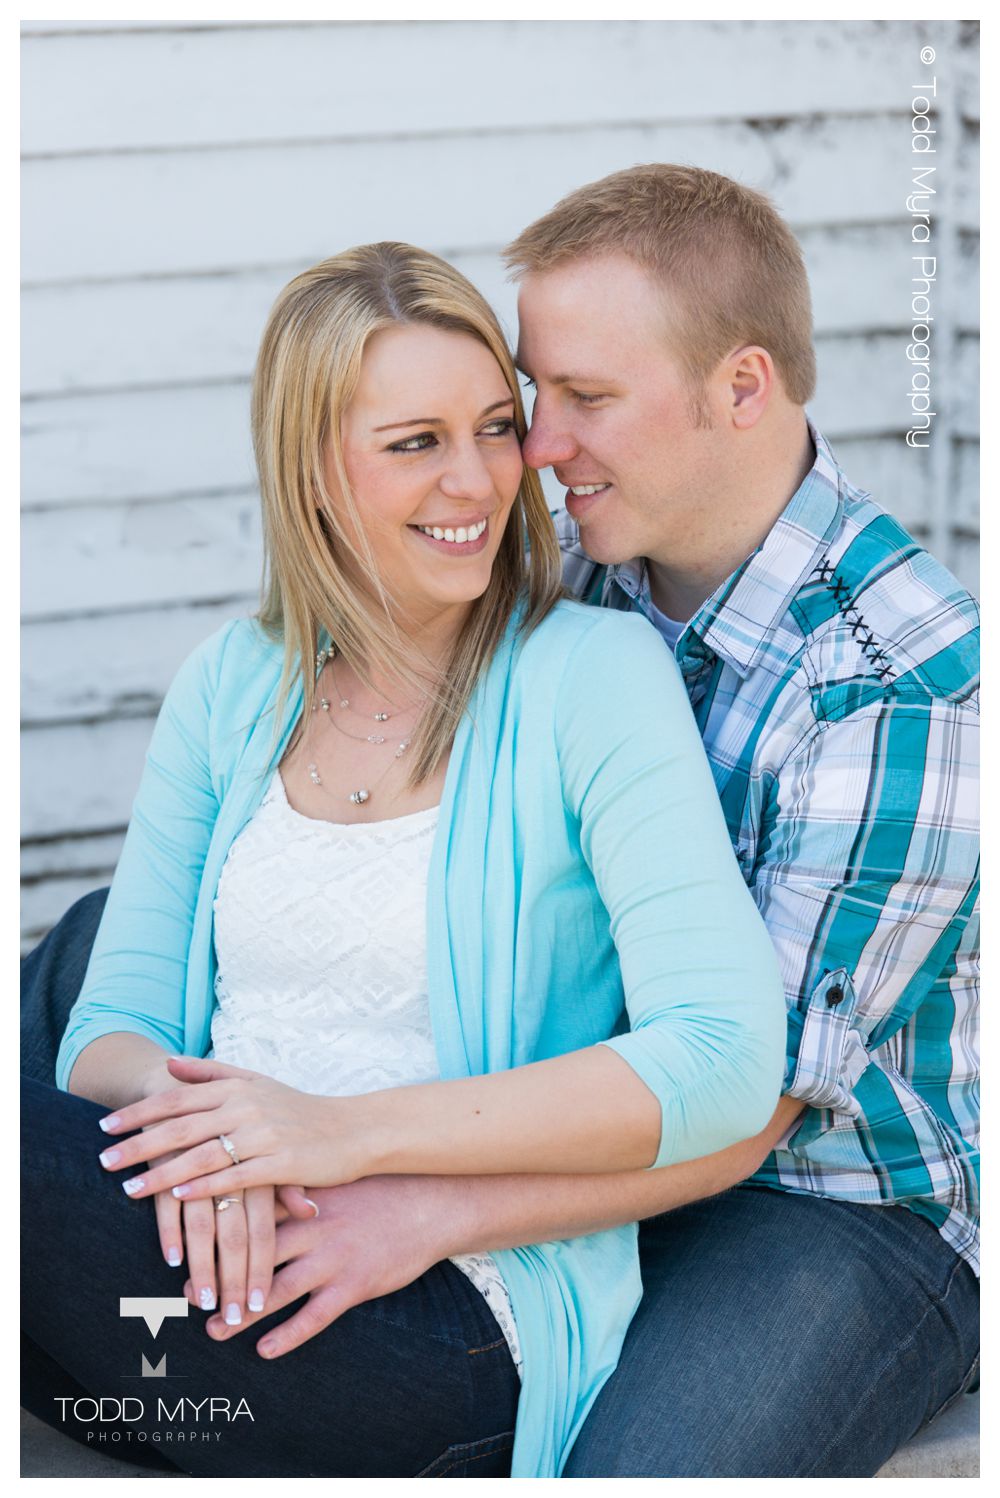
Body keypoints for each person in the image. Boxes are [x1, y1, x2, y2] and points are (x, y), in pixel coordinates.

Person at [72, 164, 977, 1480]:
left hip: (827, 1198)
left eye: (582, 399)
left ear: (741, 389)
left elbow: (747, 1099)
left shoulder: (901, 684)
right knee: (87, 949)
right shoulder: (584, 555)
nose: (533, 454)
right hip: (584, 1120)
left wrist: (416, 1201)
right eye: (530, 397)